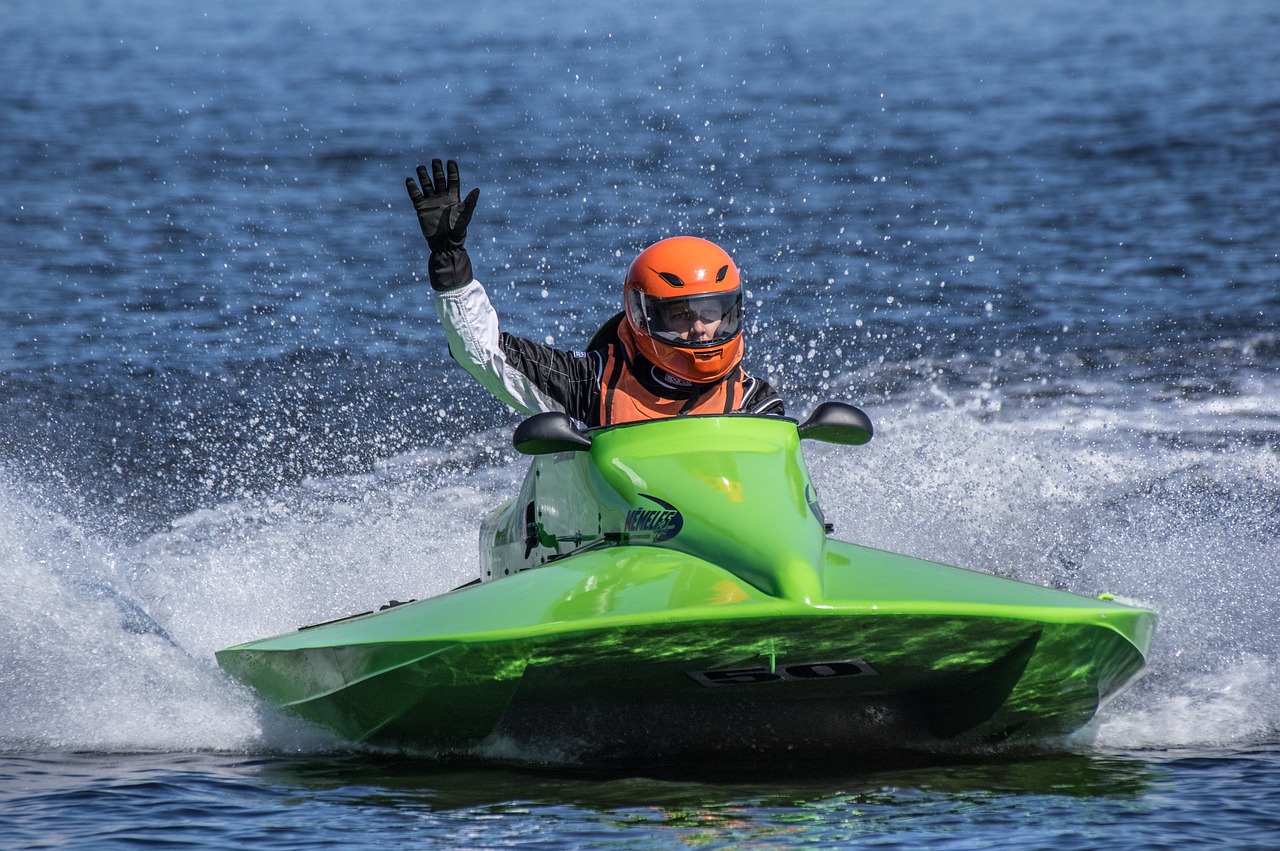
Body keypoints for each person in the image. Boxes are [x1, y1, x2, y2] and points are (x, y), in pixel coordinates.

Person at [405, 159, 784, 428]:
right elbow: (481, 350)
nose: (700, 329)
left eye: (710, 312)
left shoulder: (756, 404)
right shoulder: (591, 384)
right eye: (682, 315)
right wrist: (449, 261)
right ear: (644, 316)